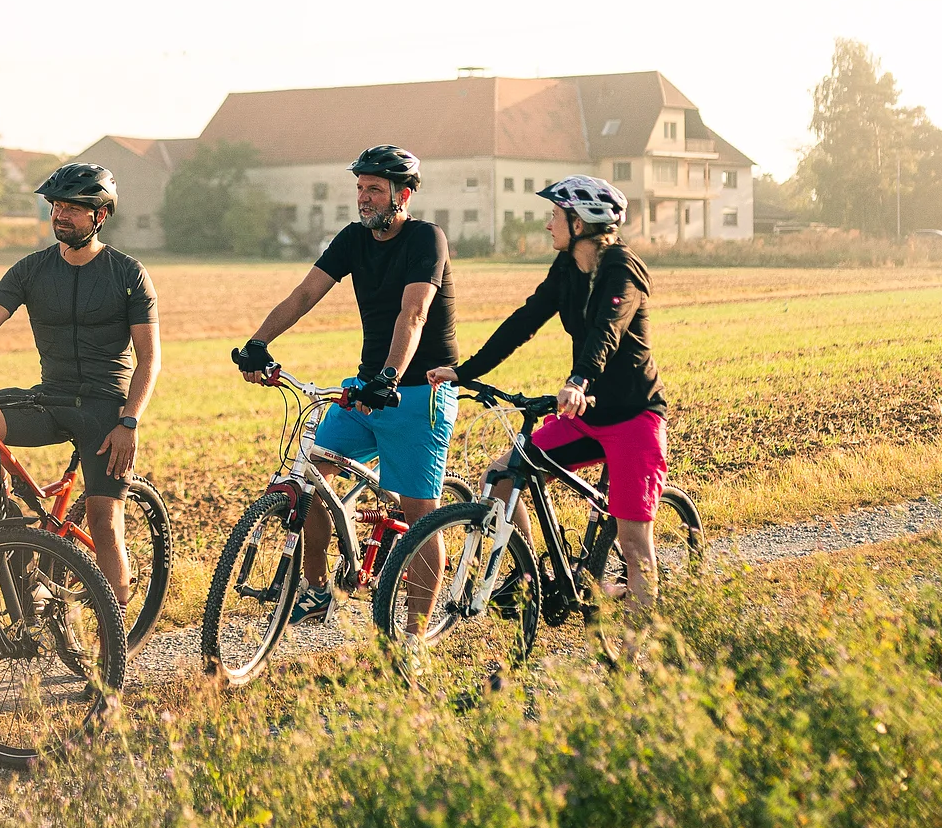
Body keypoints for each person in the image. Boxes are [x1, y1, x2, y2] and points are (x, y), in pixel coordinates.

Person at [231, 144, 459, 625]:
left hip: (419, 391)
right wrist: (257, 342)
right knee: (311, 474)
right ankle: (316, 592)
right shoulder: (353, 239)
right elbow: (305, 294)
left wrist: (390, 377)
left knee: (421, 513)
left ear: (404, 193)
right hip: (365, 389)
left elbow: (413, 313)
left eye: (375, 189)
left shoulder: (426, 239)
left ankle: (413, 639)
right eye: (360, 188)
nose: (364, 198)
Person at [431, 174, 666, 625]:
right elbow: (525, 321)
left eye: (555, 215)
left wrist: (579, 380)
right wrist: (466, 371)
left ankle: (636, 665)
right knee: (504, 474)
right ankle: (531, 577)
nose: (547, 225)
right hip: (587, 417)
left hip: (634, 420)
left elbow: (608, 330)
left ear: (579, 223)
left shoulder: (622, 269)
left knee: (636, 546)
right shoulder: (566, 270)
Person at [0, 163, 160, 607]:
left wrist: (128, 423)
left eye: (73, 208)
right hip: (51, 396)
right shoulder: (31, 270)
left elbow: (149, 358)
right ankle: (7, 526)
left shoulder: (128, 273)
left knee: (104, 523)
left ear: (100, 215)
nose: (61, 215)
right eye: (56, 206)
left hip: (104, 406)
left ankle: (114, 642)